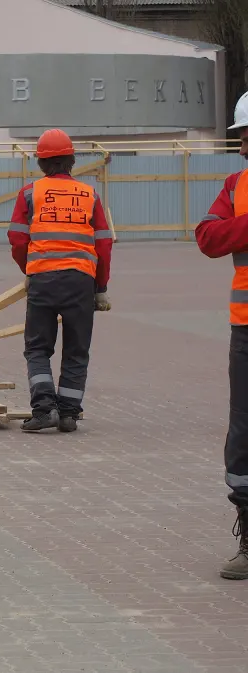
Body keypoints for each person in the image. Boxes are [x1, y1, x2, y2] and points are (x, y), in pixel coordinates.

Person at [7, 128, 113, 434]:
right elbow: (103, 243)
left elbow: (16, 238)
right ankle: (68, 414)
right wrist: (101, 287)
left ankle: (44, 410)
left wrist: (28, 269)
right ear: (72, 161)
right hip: (81, 281)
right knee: (77, 349)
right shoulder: (89, 194)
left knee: (38, 348)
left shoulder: (30, 193)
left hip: (43, 279)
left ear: (41, 163)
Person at [195, 91, 248, 580]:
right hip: (246, 331)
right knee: (244, 434)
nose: (243, 143)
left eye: (247, 135)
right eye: (241, 135)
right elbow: (208, 237)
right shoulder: (236, 185)